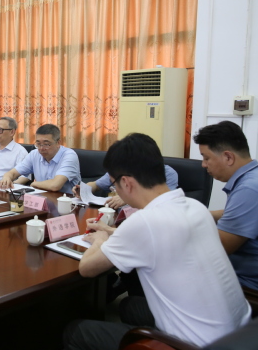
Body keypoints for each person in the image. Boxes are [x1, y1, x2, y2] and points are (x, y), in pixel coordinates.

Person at [63, 133, 251, 350]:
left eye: (114, 185)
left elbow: (87, 269)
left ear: (126, 183)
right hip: (240, 335)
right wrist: (111, 232)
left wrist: (100, 239)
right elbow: (158, 237)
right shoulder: (196, 208)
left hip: (196, 345)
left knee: (76, 331)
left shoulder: (144, 221)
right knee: (129, 306)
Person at [193, 121, 258, 290]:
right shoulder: (253, 176)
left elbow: (219, 247)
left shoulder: (248, 188)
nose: (203, 164)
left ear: (228, 157)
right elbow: (242, 215)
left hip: (247, 284)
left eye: (206, 158)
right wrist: (202, 214)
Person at [0, 124, 80, 193]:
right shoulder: (35, 154)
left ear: (58, 143)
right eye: (38, 144)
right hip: (42, 199)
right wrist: (7, 178)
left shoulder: (69, 155)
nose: (41, 148)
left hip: (66, 202)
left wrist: (34, 184)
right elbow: (13, 173)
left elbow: (55, 185)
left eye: (46, 144)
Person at [73, 166, 179, 209]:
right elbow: (96, 185)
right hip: (115, 214)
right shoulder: (121, 168)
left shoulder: (167, 173)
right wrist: (83, 189)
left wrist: (126, 198)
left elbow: (163, 201)